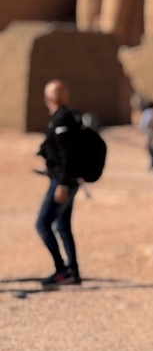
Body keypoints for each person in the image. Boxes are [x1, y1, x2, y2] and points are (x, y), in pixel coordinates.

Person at [36, 80, 83, 289]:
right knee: (63, 226)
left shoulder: (62, 118)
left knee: (43, 224)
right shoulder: (69, 116)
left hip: (63, 181)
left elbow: (68, 154)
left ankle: (62, 270)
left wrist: (62, 183)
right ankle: (72, 271)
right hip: (67, 178)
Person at [138, 99, 153, 170]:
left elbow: (142, 125)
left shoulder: (145, 113)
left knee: (150, 149)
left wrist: (143, 131)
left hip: (149, 133)